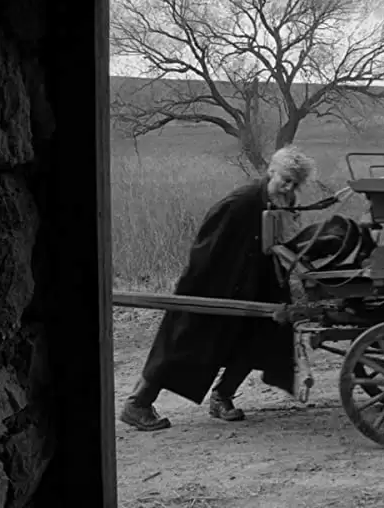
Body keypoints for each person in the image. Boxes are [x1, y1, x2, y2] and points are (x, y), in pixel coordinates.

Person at [119, 146, 315, 431]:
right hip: (216, 282)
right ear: (271, 171)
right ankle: (137, 404)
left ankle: (222, 397)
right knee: (184, 340)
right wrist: (199, 286)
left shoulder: (284, 202)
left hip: (256, 285)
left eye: (294, 183)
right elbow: (208, 244)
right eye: (284, 179)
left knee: (258, 338)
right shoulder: (241, 201)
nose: (288, 186)